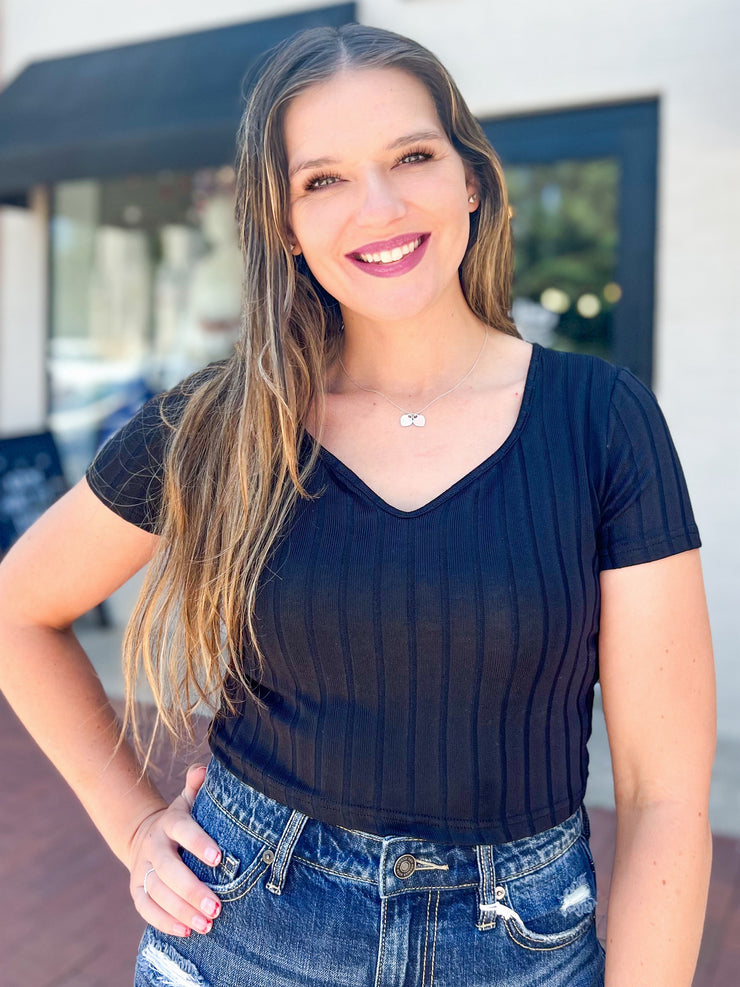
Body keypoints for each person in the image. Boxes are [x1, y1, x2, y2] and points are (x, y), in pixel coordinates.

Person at [0, 23, 715, 987]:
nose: (378, 207)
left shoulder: (602, 423)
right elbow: (18, 610)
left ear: (470, 177)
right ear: (284, 223)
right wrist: (133, 825)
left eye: (411, 156)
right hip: (245, 931)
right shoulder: (221, 422)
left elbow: (664, 794)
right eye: (322, 179)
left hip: (521, 950)